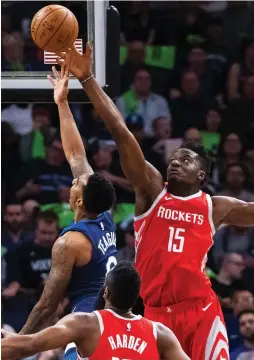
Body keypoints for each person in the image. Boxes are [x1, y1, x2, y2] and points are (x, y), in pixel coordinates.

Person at [58, 43, 254, 360]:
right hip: (156, 316)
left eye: (186, 160)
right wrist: (88, 78)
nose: (176, 162)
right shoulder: (152, 192)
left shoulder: (215, 207)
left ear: (202, 175)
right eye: (174, 157)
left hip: (201, 309)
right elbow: (121, 132)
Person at [19, 62, 117, 360]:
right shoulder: (104, 215)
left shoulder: (69, 242)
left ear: (78, 202)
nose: (75, 178)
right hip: (114, 323)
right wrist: (61, 102)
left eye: (77, 183)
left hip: (87, 326)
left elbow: (48, 305)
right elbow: (76, 154)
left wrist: (18, 345)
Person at [1, 261, 190, 360]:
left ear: (106, 292)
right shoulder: (161, 334)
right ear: (136, 297)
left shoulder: (85, 323)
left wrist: (11, 340)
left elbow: (30, 345)